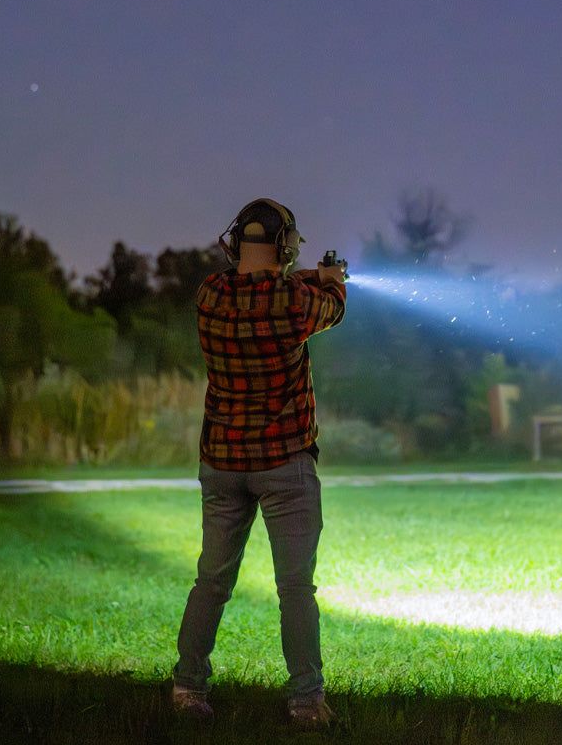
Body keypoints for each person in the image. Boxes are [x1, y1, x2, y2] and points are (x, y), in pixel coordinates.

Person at [170, 198, 347, 731]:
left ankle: (187, 688)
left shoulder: (210, 295)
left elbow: (250, 284)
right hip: (285, 463)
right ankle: (306, 703)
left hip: (222, 461)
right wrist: (333, 277)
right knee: (295, 589)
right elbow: (332, 307)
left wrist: (304, 275)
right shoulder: (296, 299)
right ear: (287, 246)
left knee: (211, 582)